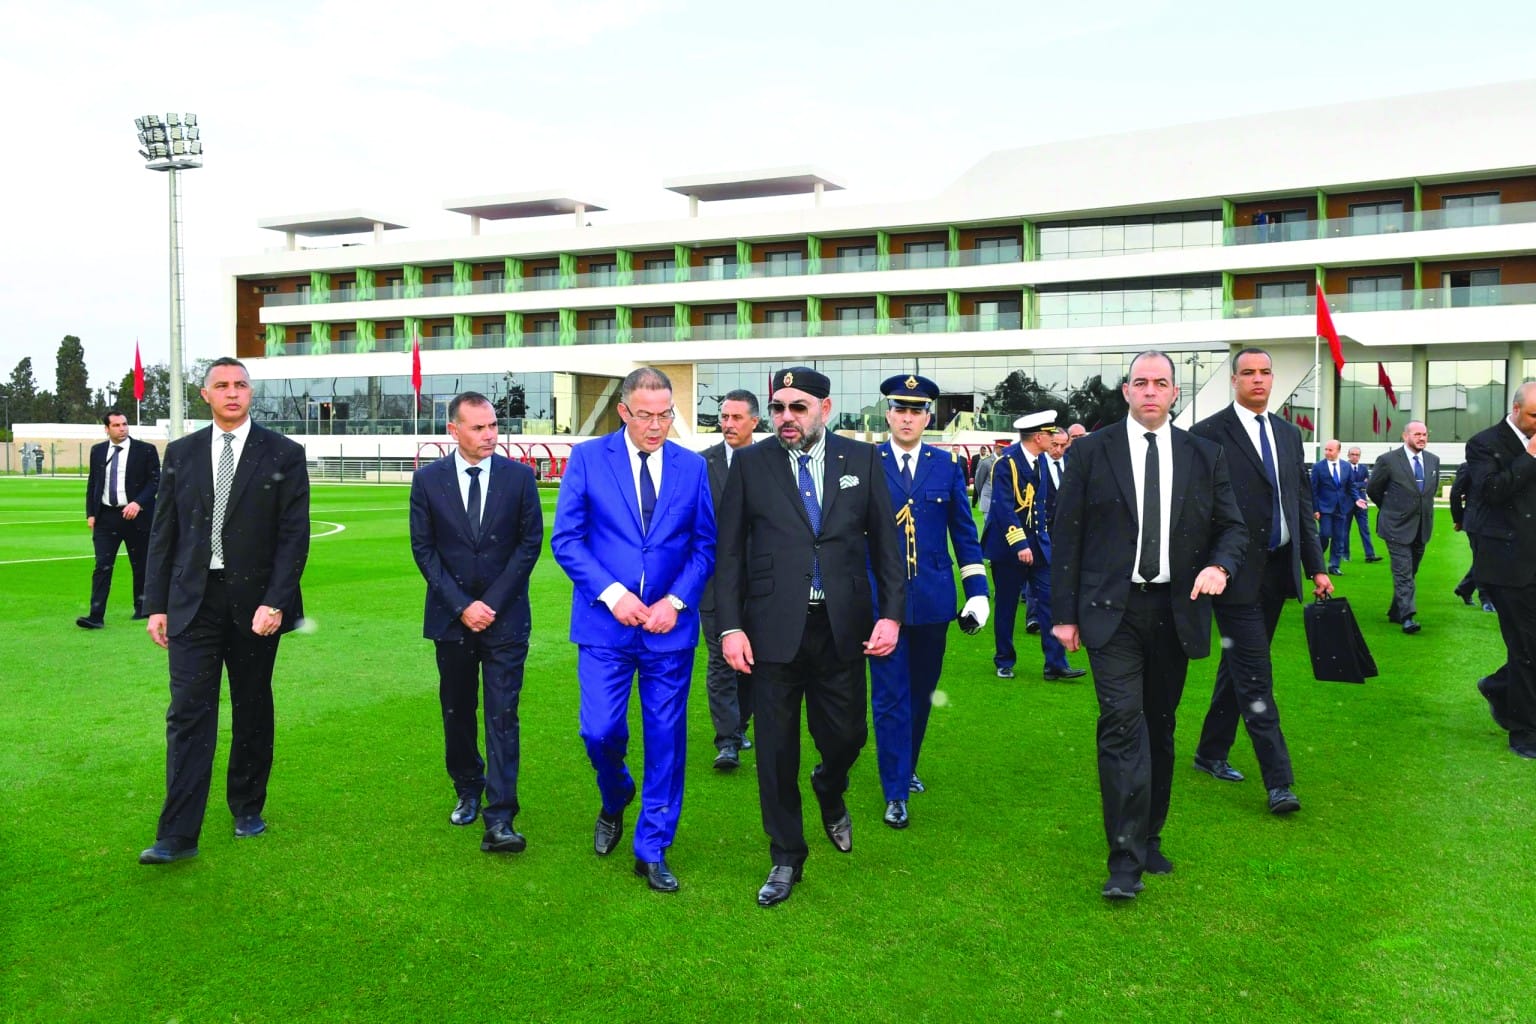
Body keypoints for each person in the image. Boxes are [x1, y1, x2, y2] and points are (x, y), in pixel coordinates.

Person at [1051, 350, 1246, 900]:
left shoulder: (1204, 455)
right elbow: (1067, 537)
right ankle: (1124, 860)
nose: (1152, 392)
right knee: (1121, 724)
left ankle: (1149, 834)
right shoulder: (1090, 452)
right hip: (1111, 613)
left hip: (1175, 611)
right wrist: (1063, 616)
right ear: (1126, 391)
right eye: (1142, 383)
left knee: (1159, 727)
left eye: (1162, 383)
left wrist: (1218, 565)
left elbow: (1233, 528)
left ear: (1175, 392)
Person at [715, 366, 904, 908]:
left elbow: (886, 548)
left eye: (797, 407)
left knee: (846, 738)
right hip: (770, 631)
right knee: (775, 751)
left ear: (825, 407)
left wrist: (890, 615)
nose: (785, 418)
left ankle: (829, 785)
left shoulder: (862, 459)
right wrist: (730, 626)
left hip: (842, 627)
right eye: (778, 408)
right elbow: (728, 553)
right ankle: (786, 856)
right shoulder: (752, 464)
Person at [138, 357, 310, 865]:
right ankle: (176, 834)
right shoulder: (183, 453)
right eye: (221, 385)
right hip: (193, 601)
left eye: (240, 385)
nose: (232, 393)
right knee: (188, 712)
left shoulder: (283, 452)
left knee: (252, 706)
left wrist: (275, 601)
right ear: (205, 395)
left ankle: (247, 805)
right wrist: (156, 605)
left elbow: (293, 536)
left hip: (257, 604)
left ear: (250, 393)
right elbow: (163, 531)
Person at [551, 367, 715, 893]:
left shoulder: (692, 468)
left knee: (666, 739)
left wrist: (676, 600)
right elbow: (567, 541)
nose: (656, 424)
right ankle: (616, 792)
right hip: (604, 627)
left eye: (665, 413)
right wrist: (613, 594)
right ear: (623, 411)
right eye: (645, 414)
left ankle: (652, 847)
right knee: (599, 732)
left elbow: (703, 547)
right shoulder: (588, 459)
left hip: (670, 630)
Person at [1189, 348, 1331, 816]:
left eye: (1265, 372)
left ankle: (1210, 751)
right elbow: (1196, 514)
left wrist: (1317, 568)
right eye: (1248, 373)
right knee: (1255, 675)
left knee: (1239, 665)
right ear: (1233, 380)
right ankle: (1279, 781)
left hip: (1279, 571)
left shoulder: (1289, 436)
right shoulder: (1208, 434)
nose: (1258, 380)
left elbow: (1300, 506)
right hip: (1232, 576)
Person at [409, 391, 543, 854]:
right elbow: (423, 550)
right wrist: (463, 605)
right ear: (454, 431)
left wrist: (492, 602)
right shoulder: (428, 481)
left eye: (493, 426)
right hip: (451, 619)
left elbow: (530, 545)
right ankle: (467, 788)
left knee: (504, 714)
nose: (490, 435)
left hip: (506, 620)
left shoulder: (520, 478)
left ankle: (501, 816)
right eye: (479, 428)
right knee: (458, 710)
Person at [868, 374, 990, 829]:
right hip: (883, 603)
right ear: (888, 414)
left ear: (928, 417)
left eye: (916, 410)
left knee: (920, 693)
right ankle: (895, 790)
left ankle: (906, 764)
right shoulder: (868, 462)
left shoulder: (945, 465)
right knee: (889, 696)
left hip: (935, 600)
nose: (907, 417)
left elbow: (964, 532)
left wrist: (977, 591)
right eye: (900, 409)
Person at [984, 411, 1084, 682]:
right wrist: (1020, 543)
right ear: (1039, 437)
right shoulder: (1007, 463)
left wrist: (1043, 542)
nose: (1054, 440)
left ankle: (1055, 664)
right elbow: (1003, 507)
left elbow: (1038, 507)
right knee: (1006, 605)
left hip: (1039, 546)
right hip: (1009, 547)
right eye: (1051, 435)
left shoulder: (1040, 460)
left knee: (1050, 601)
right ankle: (1004, 660)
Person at [1465, 382, 1536, 759]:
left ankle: (1497, 685)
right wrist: (1531, 455)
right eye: (1535, 416)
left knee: (1531, 647)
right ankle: (1524, 731)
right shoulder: (1483, 442)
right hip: (1506, 563)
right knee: (1525, 647)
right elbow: (1491, 491)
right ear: (1516, 408)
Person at [700, 388, 760, 771]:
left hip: (762, 583)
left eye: (737, 417)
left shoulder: (774, 462)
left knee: (754, 660)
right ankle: (727, 741)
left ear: (755, 421)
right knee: (721, 659)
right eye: (724, 416)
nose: (728, 424)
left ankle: (740, 725)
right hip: (714, 581)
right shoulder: (699, 465)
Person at [78, 410, 160, 628]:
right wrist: (91, 513)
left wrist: (137, 503)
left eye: (124, 424)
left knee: (140, 564)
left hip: (137, 516)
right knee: (102, 565)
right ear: (107, 429)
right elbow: (93, 483)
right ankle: (96, 616)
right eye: (116, 425)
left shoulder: (145, 450)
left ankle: (142, 609)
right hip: (107, 517)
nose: (122, 428)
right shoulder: (98, 451)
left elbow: (155, 482)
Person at [1367, 421, 1440, 634]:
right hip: (1395, 527)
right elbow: (1373, 489)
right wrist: (1390, 509)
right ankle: (1408, 617)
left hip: (1422, 526)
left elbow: (1429, 492)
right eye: (1417, 434)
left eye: (1425, 434)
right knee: (1403, 572)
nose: (1422, 438)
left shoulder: (1433, 461)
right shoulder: (1388, 461)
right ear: (1404, 436)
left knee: (1410, 570)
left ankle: (1396, 610)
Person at [1449, 462, 1494, 613]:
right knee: (1483, 559)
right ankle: (1485, 597)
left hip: (1499, 522)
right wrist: (1458, 519)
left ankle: (1465, 588)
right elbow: (1455, 493)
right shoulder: (1468, 466)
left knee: (1489, 558)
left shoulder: (1506, 463)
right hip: (1476, 521)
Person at [1309, 439, 1354, 575]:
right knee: (1325, 534)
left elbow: (1350, 487)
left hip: (1341, 508)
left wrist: (1357, 499)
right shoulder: (1318, 467)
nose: (1327, 452)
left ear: (1338, 451)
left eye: (1330, 450)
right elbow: (1313, 490)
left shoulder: (1346, 467)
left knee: (1339, 537)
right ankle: (1315, 558)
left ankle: (1334, 566)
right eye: (1326, 449)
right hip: (1324, 508)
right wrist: (1315, 509)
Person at [1344, 447, 1381, 562]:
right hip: (1347, 503)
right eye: (1353, 454)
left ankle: (1370, 555)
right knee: (1345, 530)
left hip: (1362, 503)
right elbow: (1345, 484)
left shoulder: (1363, 468)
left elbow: (1367, 484)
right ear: (1348, 455)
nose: (1355, 456)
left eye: (1357, 455)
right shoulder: (1344, 468)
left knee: (1365, 529)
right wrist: (1359, 484)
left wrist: (1354, 485)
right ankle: (1345, 555)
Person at [971, 441, 1004, 512]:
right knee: (989, 521)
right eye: (1003, 448)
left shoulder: (1007, 461)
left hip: (1003, 500)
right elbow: (978, 481)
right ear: (996, 448)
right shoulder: (986, 462)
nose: (1005, 450)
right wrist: (982, 494)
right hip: (988, 498)